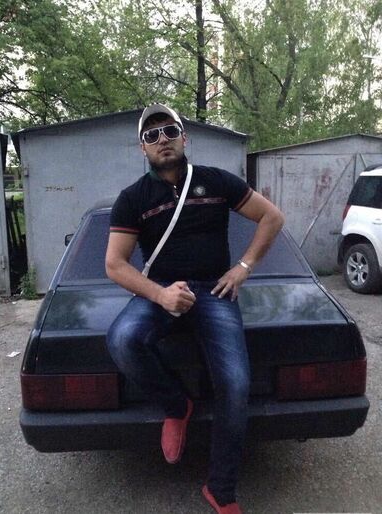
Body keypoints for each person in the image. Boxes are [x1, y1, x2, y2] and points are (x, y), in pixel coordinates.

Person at [105, 104, 284, 514]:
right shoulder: (132, 199)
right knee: (122, 338)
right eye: (151, 136)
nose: (162, 140)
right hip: (160, 291)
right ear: (142, 148)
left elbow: (272, 218)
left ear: (185, 138)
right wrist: (161, 295)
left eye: (169, 130)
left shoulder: (216, 182)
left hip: (215, 292)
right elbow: (115, 265)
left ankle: (221, 489)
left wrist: (243, 268)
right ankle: (176, 406)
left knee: (235, 384)